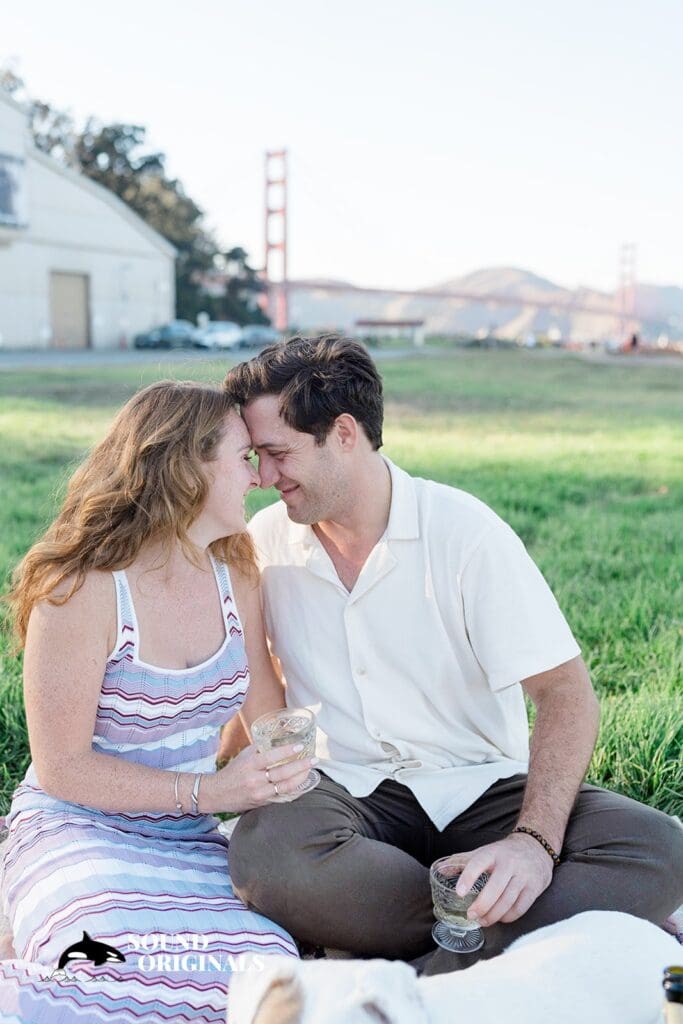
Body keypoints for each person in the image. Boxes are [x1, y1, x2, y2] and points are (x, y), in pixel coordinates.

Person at [223, 334, 683, 973]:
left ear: (345, 433)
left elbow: (566, 696)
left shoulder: (466, 534)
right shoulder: (264, 542)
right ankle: (487, 944)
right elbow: (258, 683)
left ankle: (422, 958)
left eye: (278, 454)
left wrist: (531, 843)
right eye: (257, 457)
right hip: (347, 794)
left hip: (482, 788)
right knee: (267, 855)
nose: (264, 478)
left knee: (659, 850)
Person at [0, 380, 317, 1023]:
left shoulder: (237, 570)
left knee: (265, 978)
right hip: (81, 826)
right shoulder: (81, 587)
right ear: (185, 467)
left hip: (193, 837)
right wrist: (214, 794)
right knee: (108, 961)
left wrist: (294, 764)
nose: (256, 478)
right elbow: (62, 767)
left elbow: (262, 707)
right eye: (241, 458)